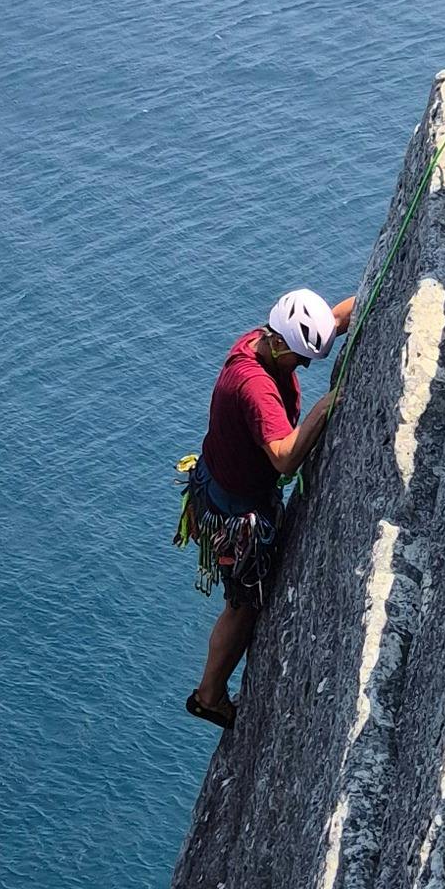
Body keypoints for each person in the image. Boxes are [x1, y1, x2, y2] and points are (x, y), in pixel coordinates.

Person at [180, 286, 357, 731]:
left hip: (223, 487)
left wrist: (381, 286)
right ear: (278, 343)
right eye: (298, 358)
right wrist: (327, 404)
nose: (300, 366)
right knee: (242, 606)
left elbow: (333, 320)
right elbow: (283, 456)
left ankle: (211, 691)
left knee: (244, 601)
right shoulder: (254, 387)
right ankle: (209, 696)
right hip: (234, 514)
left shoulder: (266, 341)